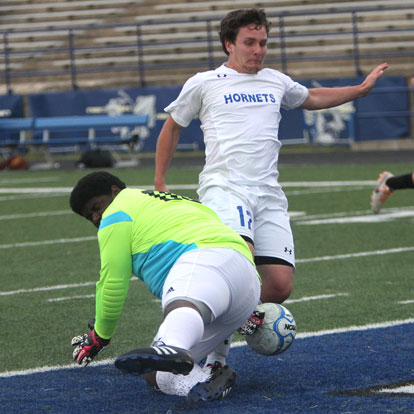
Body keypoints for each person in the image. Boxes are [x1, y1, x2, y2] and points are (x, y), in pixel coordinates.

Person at [154, 8, 388, 307]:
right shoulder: (205, 82)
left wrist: (359, 90)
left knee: (278, 286)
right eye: (249, 42)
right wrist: (160, 180)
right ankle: (211, 343)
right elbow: (172, 127)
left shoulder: (275, 80)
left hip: (268, 194)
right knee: (240, 261)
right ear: (229, 44)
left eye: (263, 43)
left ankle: (225, 315)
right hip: (226, 188)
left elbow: (312, 97)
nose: (258, 50)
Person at [69, 171, 261, 401]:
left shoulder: (117, 212)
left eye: (96, 206)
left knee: (181, 314)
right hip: (246, 282)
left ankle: (172, 346)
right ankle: (211, 375)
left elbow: (112, 281)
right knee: (155, 374)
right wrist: (253, 305)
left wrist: (100, 335)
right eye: (88, 216)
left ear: (114, 191)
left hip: (202, 265)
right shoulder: (180, 201)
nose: (96, 217)